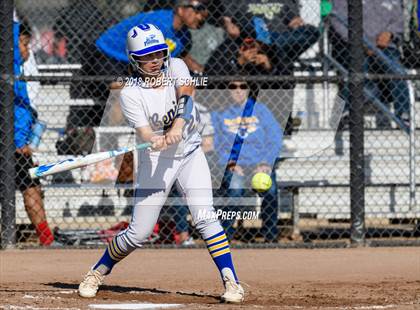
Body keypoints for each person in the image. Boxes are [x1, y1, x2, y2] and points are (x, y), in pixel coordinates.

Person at [78, 23, 244, 303]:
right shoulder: (131, 94)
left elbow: (187, 95)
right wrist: (152, 138)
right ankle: (98, 271)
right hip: (155, 160)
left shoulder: (177, 66)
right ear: (134, 60)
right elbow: (144, 132)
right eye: (147, 56)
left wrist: (177, 126)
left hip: (190, 153)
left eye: (158, 53)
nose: (155, 60)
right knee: (138, 233)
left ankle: (232, 281)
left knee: (205, 217)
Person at [211, 81, 283, 243]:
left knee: (270, 191)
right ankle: (225, 236)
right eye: (233, 87)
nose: (238, 90)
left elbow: (275, 139)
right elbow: (217, 144)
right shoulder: (220, 113)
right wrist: (230, 162)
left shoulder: (261, 110)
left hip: (260, 164)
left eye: (242, 86)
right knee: (235, 191)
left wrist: (266, 162)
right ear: (228, 90)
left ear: (248, 90)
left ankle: (270, 236)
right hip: (236, 165)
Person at [329, 0, 410, 127]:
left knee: (397, 71)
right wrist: (359, 40)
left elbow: (399, 21)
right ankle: (342, 114)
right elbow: (337, 20)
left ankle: (404, 116)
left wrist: (390, 33)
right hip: (354, 45)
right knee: (357, 73)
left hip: (385, 46)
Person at [14, 22, 54, 246]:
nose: (27, 50)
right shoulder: (10, 71)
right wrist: (20, 142)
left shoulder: (17, 71)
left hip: (18, 143)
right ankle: (46, 239)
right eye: (23, 44)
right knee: (31, 190)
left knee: (32, 189)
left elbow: (23, 112)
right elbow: (14, 112)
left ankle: (47, 239)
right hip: (13, 144)